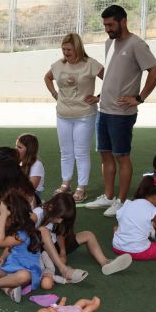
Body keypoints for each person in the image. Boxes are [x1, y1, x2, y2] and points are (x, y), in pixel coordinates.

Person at [85, 5, 156, 217]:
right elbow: (112, 76)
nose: (107, 29)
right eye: (105, 25)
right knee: (105, 155)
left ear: (123, 21)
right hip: (104, 110)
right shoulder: (109, 43)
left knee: (122, 157)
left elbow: (155, 72)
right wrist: (101, 97)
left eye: (110, 24)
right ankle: (108, 197)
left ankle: (121, 201)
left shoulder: (137, 44)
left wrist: (139, 98)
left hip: (122, 114)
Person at [44, 33, 104, 202]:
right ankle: (66, 183)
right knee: (65, 151)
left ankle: (81, 187)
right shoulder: (58, 65)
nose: (66, 53)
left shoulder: (90, 64)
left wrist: (99, 97)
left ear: (77, 48)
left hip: (85, 115)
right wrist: (55, 94)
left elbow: (110, 79)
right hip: (63, 115)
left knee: (81, 152)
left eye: (69, 49)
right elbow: (47, 77)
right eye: (63, 49)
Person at [40, 193, 132, 283]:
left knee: (88, 235)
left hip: (55, 246)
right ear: (51, 207)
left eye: (63, 219)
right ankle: (64, 270)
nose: (60, 221)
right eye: (59, 217)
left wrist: (63, 253)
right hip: (42, 250)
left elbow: (60, 234)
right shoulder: (39, 213)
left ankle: (105, 262)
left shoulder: (59, 216)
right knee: (43, 230)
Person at [112, 176, 156, 260]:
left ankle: (145, 236)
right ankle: (149, 237)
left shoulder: (128, 204)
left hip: (117, 247)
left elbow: (121, 223)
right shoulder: (155, 211)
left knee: (116, 228)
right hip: (138, 251)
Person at [16, 133, 45, 198]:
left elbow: (30, 191)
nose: (16, 149)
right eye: (16, 146)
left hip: (31, 197)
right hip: (18, 193)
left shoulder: (37, 165)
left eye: (19, 147)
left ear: (29, 150)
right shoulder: (19, 161)